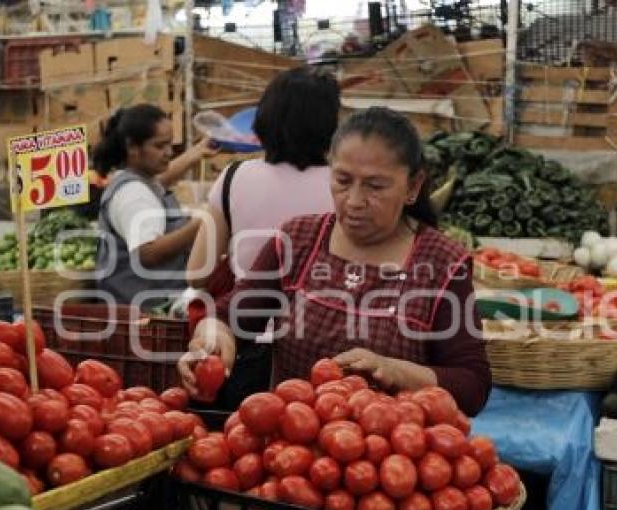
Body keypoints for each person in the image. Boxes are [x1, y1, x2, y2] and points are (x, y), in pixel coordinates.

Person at [178, 107, 492, 416]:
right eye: (342, 180)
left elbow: (472, 386)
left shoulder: (441, 264)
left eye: (375, 186)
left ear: (412, 187)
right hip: (293, 449)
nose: (354, 201)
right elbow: (229, 313)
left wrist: (395, 371)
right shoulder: (297, 239)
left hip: (394, 459)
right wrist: (214, 335)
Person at [185, 66, 340, 291]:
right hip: (324, 318)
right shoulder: (346, 186)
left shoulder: (234, 177)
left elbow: (197, 274)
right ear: (330, 126)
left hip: (248, 317)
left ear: (264, 117)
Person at [93, 104, 215, 306]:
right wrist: (204, 222)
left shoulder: (138, 179)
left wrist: (198, 151)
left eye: (170, 144)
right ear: (132, 147)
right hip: (145, 311)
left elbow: (161, 180)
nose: (169, 152)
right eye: (159, 146)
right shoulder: (133, 194)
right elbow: (147, 253)